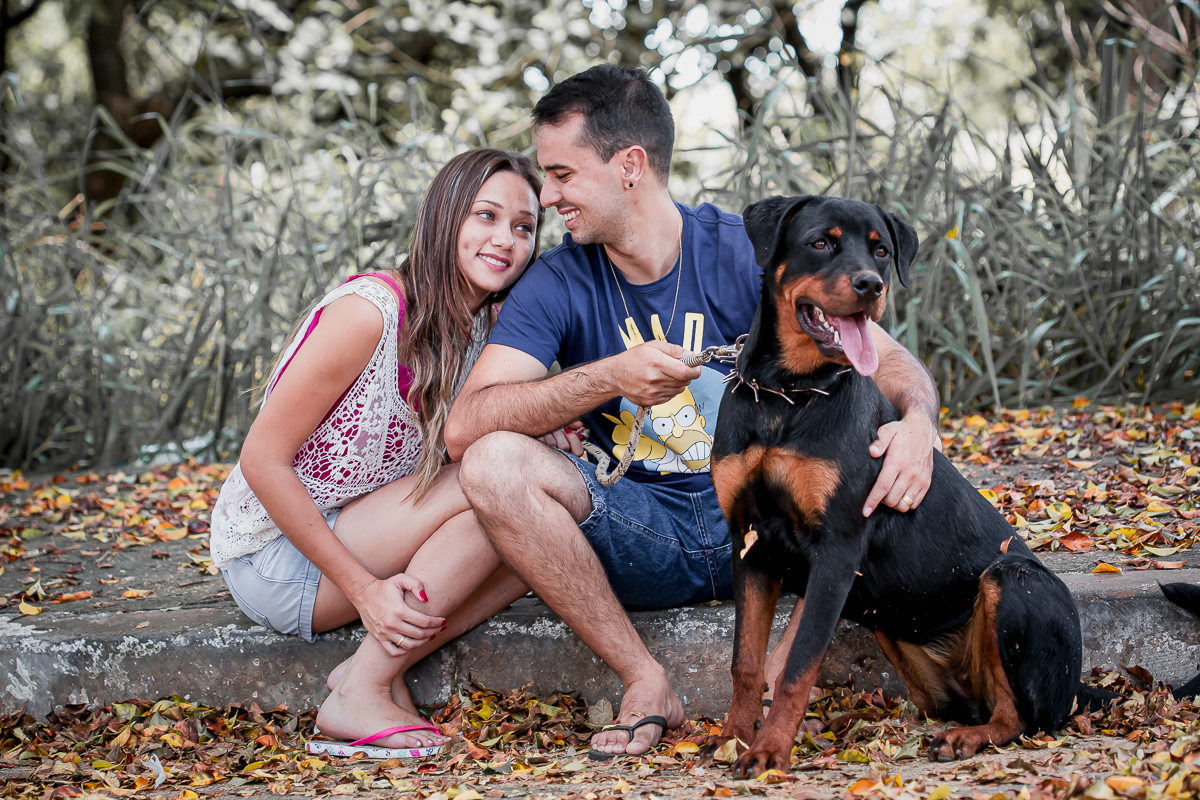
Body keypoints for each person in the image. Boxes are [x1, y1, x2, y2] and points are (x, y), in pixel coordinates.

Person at [445, 66, 942, 758]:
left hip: (778, 521)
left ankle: (792, 653)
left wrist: (922, 424)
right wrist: (607, 377)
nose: (548, 194)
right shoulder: (558, 278)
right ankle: (643, 677)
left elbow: (891, 364)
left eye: (562, 174)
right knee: (493, 462)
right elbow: (465, 427)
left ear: (630, 166)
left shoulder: (747, 248)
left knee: (884, 453)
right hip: (646, 529)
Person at [209, 149, 542, 752]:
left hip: (366, 528)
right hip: (278, 555)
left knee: (534, 532)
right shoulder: (370, 313)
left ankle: (366, 672)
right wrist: (364, 590)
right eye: (486, 216)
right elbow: (262, 461)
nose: (506, 240)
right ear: (445, 219)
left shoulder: (481, 333)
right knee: (500, 491)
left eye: (524, 227)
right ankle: (360, 694)